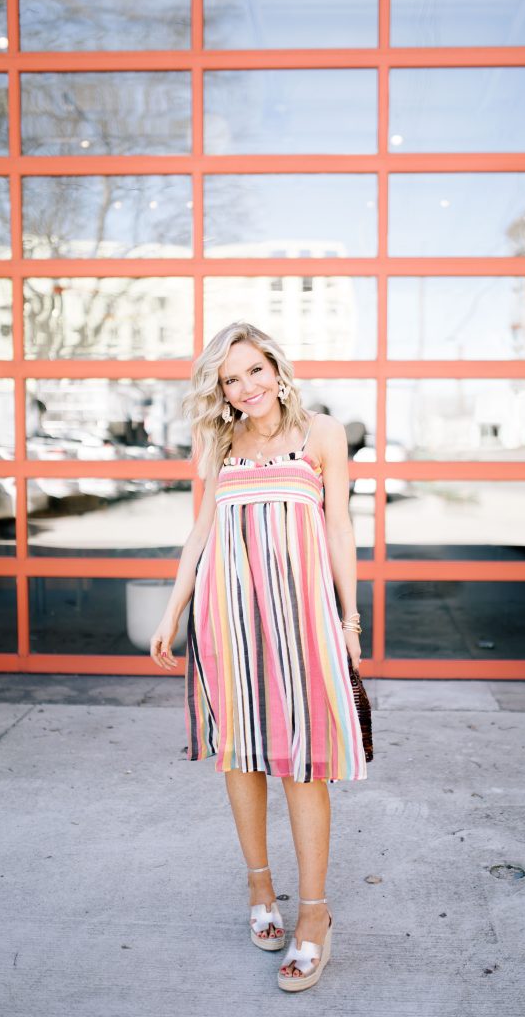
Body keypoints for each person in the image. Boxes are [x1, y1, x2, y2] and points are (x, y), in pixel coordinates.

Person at [149, 320, 367, 992]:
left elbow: (338, 531)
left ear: (276, 366)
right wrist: (172, 608)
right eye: (229, 378)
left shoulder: (322, 433)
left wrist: (350, 622)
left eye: (252, 371)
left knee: (305, 764)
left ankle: (313, 917)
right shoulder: (217, 438)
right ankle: (259, 891)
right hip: (228, 620)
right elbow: (201, 532)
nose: (244, 388)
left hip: (303, 622)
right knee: (240, 755)